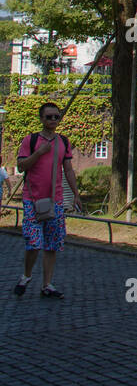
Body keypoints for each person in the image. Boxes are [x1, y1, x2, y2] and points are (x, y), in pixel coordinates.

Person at [13, 101, 82, 300]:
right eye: (48, 117)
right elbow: (21, 166)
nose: (53, 120)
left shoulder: (63, 142)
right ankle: (26, 276)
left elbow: (68, 169)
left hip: (56, 200)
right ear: (41, 119)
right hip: (32, 198)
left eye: (56, 117)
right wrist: (39, 153)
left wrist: (76, 194)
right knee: (34, 243)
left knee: (52, 244)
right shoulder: (31, 140)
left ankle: (47, 284)